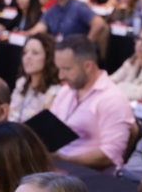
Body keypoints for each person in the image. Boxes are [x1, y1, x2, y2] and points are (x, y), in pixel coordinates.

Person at [51, 34, 136, 170]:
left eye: (66, 69)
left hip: (87, 175)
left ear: (88, 66)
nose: (60, 76)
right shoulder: (66, 91)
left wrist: (66, 159)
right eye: (59, 68)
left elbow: (110, 155)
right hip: (58, 167)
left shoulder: (112, 99)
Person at [31, 0, 105, 42]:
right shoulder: (51, 10)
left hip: (77, 51)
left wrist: (87, 43)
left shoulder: (78, 7)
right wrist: (25, 34)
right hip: (60, 49)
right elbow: (40, 28)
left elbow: (99, 23)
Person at [8, 33, 61, 122]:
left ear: (48, 58)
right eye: (25, 52)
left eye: (35, 53)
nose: (27, 57)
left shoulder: (55, 93)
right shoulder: (21, 83)